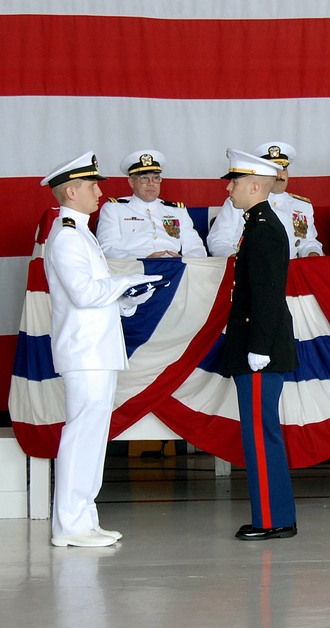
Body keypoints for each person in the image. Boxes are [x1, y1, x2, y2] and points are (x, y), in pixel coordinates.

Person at [40, 152, 161, 548]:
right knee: (81, 436)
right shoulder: (67, 236)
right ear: (70, 191)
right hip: (84, 352)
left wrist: (130, 297)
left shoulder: (83, 234)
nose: (99, 192)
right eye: (92, 186)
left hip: (97, 350)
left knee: (92, 437)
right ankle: (69, 526)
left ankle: (83, 519)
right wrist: (126, 282)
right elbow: (83, 293)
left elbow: (98, 294)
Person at [219, 148, 300, 540]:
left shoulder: (264, 227)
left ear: (254, 186)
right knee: (259, 433)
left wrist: (259, 346)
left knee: (260, 434)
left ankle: (273, 520)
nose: (229, 188)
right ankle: (274, 515)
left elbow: (267, 293)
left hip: (259, 349)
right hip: (256, 344)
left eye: (234, 182)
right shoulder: (257, 224)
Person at [208, 141, 323, 258]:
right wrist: (237, 263)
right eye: (273, 169)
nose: (279, 175)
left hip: (290, 270)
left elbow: (308, 242)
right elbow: (219, 240)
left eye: (283, 168)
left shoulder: (302, 206)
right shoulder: (238, 202)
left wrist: (313, 255)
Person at [96, 149, 207, 259]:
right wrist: (144, 260)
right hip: (135, 269)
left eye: (156, 178)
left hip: (174, 267)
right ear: (131, 182)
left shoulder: (177, 210)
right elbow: (108, 249)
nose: (151, 183)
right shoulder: (114, 208)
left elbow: (196, 247)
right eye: (144, 178)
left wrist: (184, 261)